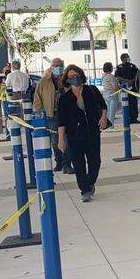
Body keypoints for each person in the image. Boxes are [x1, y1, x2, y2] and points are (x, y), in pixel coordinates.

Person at [56, 64, 107, 201]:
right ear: (67, 79)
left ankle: (90, 183)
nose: (75, 79)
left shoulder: (91, 90)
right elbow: (62, 121)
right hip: (74, 136)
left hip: (92, 133)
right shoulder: (64, 99)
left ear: (81, 76)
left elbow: (103, 106)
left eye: (77, 76)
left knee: (95, 161)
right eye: (71, 77)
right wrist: (61, 140)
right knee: (78, 164)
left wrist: (103, 117)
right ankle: (85, 190)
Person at [33, 57, 71, 173]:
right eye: (55, 66)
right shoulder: (44, 81)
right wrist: (39, 112)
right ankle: (59, 161)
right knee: (55, 141)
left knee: (67, 139)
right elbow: (37, 98)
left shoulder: (67, 80)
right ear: (51, 67)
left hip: (66, 115)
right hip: (51, 115)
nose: (57, 68)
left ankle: (67, 165)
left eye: (59, 65)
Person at [115, 53, 139, 124]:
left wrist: (132, 80)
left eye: (128, 57)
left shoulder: (133, 66)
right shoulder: (119, 67)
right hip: (124, 87)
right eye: (126, 57)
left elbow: (137, 74)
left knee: (134, 102)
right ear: (123, 59)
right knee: (126, 103)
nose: (128, 58)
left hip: (132, 87)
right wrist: (126, 81)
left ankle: (134, 118)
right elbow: (117, 76)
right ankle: (127, 118)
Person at [101, 62, 122, 128]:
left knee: (108, 112)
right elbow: (115, 87)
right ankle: (111, 126)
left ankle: (107, 125)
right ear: (110, 68)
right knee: (112, 112)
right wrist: (120, 87)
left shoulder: (104, 76)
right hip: (113, 95)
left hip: (106, 95)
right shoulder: (111, 76)